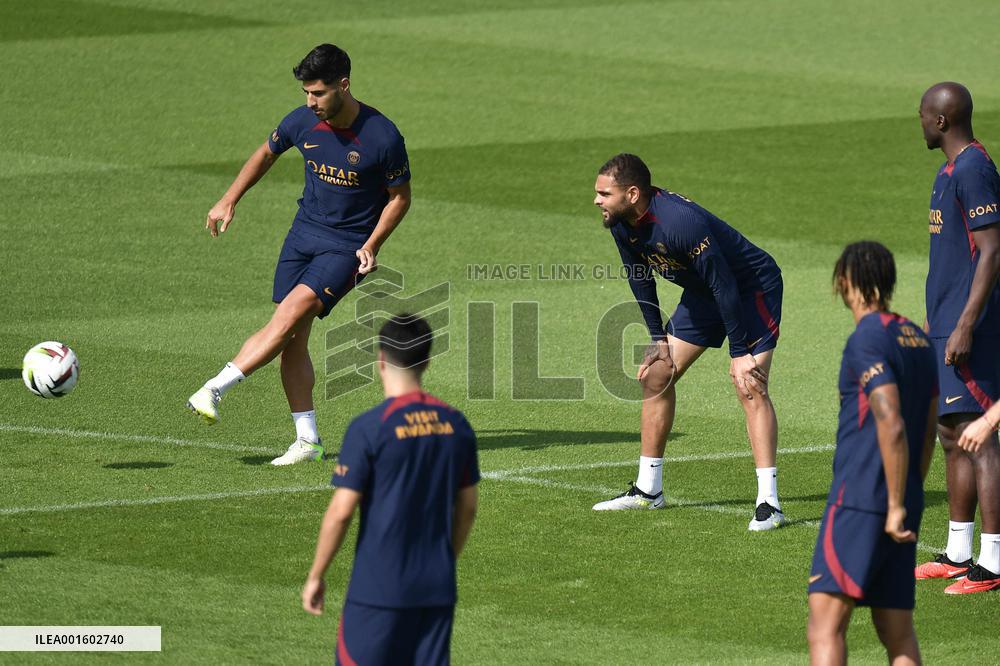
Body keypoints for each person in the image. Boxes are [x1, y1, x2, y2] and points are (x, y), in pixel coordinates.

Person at [186, 43, 412, 466]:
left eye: (318, 94)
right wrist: (229, 199)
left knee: (288, 316)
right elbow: (267, 153)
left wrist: (372, 244)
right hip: (302, 236)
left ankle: (214, 387)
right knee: (291, 338)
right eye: (307, 93)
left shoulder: (382, 136)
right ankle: (307, 441)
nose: (310, 102)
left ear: (343, 85)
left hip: (346, 247)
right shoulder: (303, 121)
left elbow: (400, 198)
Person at [591, 153, 786, 531]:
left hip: (749, 289)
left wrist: (739, 351)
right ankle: (649, 491)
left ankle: (769, 503)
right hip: (704, 293)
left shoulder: (681, 222)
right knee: (655, 375)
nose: (597, 200)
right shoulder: (620, 222)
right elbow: (639, 276)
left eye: (604, 193)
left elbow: (725, 284)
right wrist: (656, 338)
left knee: (749, 384)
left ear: (632, 194)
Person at [301, 314, 479, 666]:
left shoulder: (370, 427)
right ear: (426, 361)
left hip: (378, 589)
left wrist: (316, 575)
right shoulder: (456, 424)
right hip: (436, 588)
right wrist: (444, 560)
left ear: (380, 359)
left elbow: (341, 512)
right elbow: (468, 507)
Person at [808, 241, 937, 666]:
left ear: (845, 282)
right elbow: (929, 427)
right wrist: (909, 494)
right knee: (897, 634)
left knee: (825, 626)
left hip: (861, 499)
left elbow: (892, 422)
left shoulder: (866, 339)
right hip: (904, 499)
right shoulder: (918, 338)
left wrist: (893, 503)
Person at [913, 82, 1000, 593]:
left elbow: (993, 252)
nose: (920, 122)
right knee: (951, 434)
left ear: (942, 121)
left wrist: (966, 323)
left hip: (973, 329)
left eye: (923, 115)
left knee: (979, 436)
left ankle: (992, 562)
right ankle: (959, 551)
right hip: (945, 324)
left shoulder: (973, 169)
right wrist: (941, 321)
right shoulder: (949, 171)